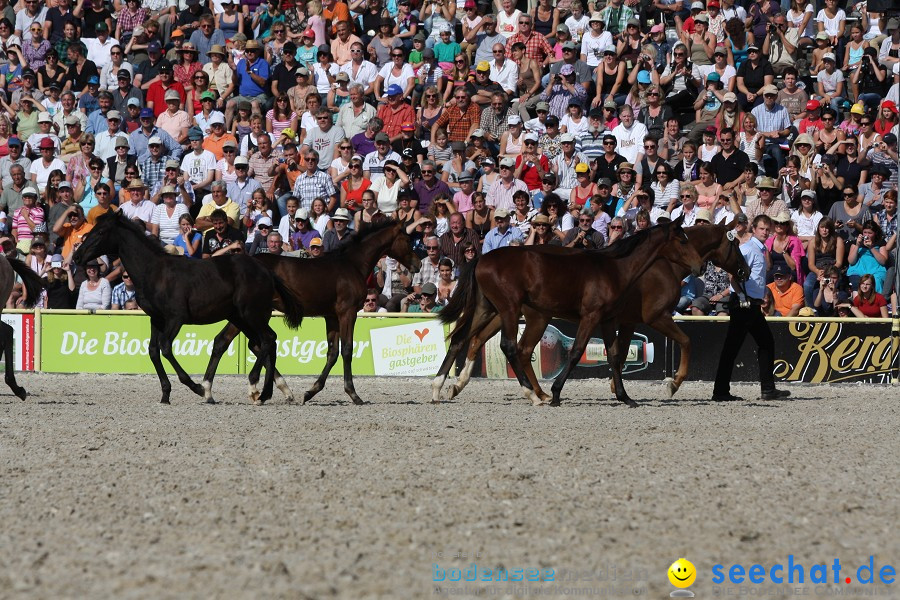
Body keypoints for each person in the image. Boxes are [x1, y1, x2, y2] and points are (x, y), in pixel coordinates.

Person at [713, 214, 790, 402]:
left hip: (751, 305)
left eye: (767, 229)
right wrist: (741, 296)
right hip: (743, 304)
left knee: (764, 343)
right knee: (736, 347)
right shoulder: (747, 248)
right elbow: (732, 274)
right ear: (753, 229)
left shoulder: (760, 250)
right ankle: (722, 391)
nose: (765, 232)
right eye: (762, 228)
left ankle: (767, 389)